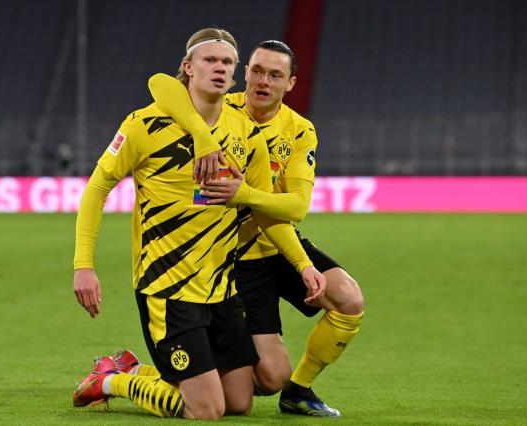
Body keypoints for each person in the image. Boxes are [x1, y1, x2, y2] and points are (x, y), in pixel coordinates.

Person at [71, 29, 326, 420]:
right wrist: (83, 265)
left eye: (227, 62)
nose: (219, 68)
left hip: (222, 289)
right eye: (209, 60)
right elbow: (96, 189)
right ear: (188, 68)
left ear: (235, 73)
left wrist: (303, 264)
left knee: (239, 403)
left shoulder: (247, 134)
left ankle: (136, 370)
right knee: (206, 409)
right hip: (167, 287)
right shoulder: (144, 125)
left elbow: (263, 212)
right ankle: (111, 380)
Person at [146, 40, 366, 417]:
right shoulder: (220, 108)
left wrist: (244, 194)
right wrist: (200, 134)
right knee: (269, 376)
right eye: (257, 71)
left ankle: (299, 389)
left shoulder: (299, 130)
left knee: (349, 300)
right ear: (245, 73)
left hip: (279, 240)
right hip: (237, 257)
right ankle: (167, 377)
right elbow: (159, 84)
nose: (264, 81)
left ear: (290, 83)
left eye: (275, 75)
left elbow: (296, 207)